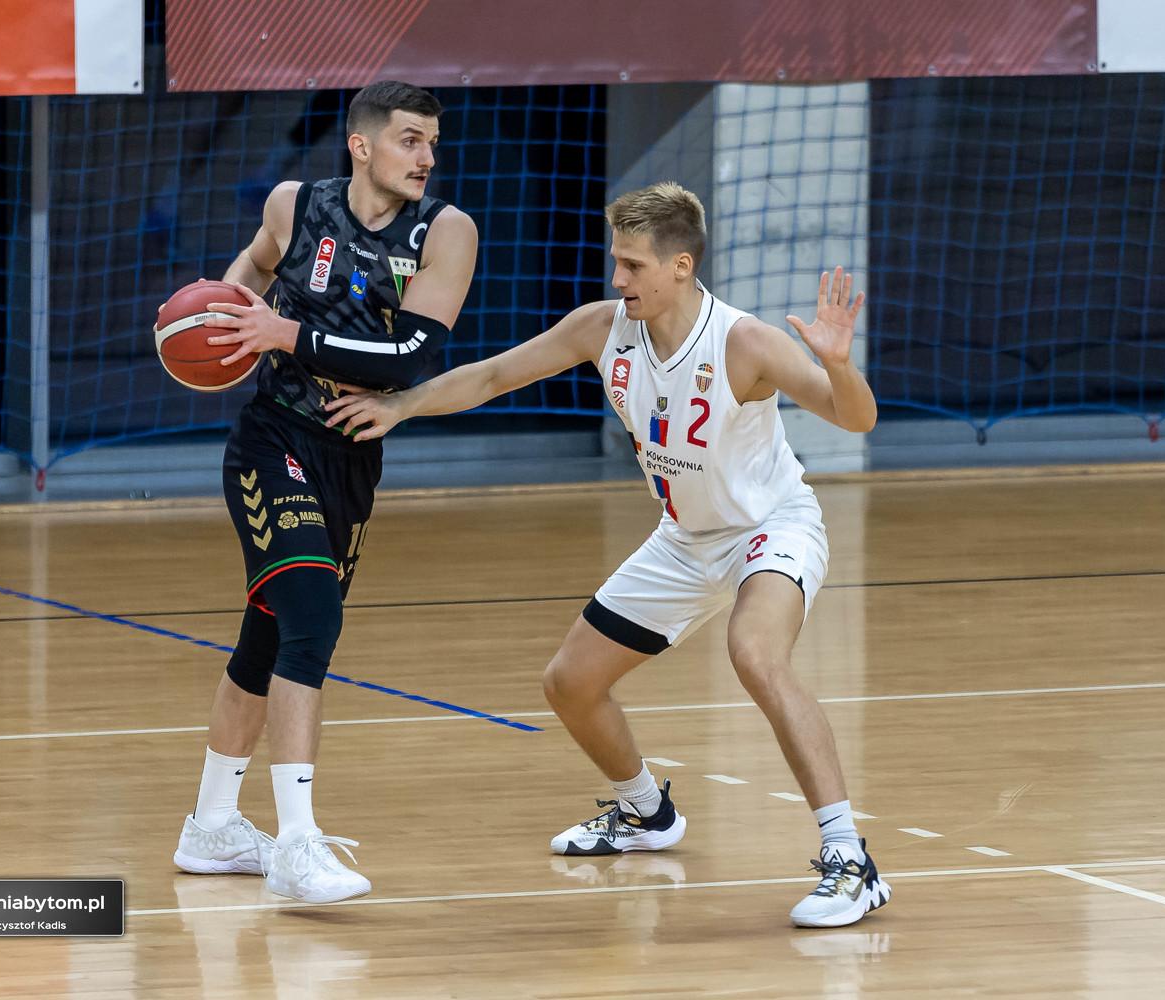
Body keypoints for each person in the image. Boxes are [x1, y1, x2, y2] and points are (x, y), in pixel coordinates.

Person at [324, 181, 888, 928]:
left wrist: (839, 364)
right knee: (570, 683)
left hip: (769, 527)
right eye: (615, 261)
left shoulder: (744, 343)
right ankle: (645, 812)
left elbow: (856, 418)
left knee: (755, 654)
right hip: (684, 538)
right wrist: (400, 405)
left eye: (633, 265)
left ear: (681, 266)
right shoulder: (604, 327)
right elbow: (494, 375)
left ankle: (850, 860)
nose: (617, 278)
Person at [167, 79, 478, 904]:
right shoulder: (293, 205)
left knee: (265, 642)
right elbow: (252, 271)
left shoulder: (445, 232)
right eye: (410, 139)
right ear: (361, 145)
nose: (427, 156)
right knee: (312, 620)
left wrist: (285, 331)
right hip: (272, 440)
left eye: (433, 141)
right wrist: (225, 325)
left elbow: (411, 358)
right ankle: (297, 846)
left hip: (351, 460)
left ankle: (211, 828)